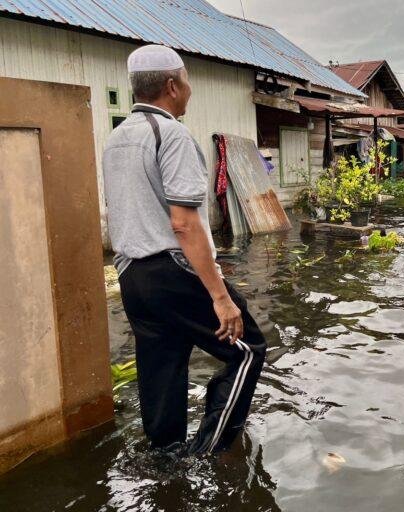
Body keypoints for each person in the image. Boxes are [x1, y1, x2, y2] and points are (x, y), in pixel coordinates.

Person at [103, 45, 267, 454]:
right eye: (188, 81)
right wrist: (220, 296)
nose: (191, 90)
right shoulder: (171, 134)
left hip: (132, 276)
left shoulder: (117, 137)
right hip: (172, 269)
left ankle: (166, 460)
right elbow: (184, 222)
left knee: (162, 367)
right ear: (172, 86)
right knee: (248, 350)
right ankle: (208, 451)